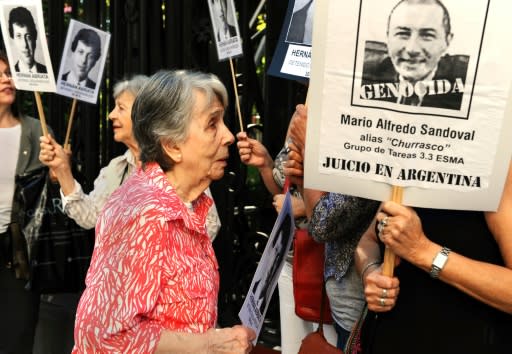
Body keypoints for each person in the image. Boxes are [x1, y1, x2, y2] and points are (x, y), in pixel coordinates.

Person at [72, 69, 255, 353]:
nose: (229, 136)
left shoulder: (187, 203)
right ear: (172, 146)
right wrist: (209, 344)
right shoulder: (144, 213)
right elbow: (101, 334)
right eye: (212, 124)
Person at [355, 161, 512, 354]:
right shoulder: (409, 162)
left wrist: (423, 251)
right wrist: (370, 272)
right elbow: (369, 239)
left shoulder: (497, 165)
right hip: (388, 337)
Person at [237, 104, 337, 353]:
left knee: (325, 344)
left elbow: (352, 199)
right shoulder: (300, 113)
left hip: (327, 260)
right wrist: (265, 165)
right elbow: (284, 188)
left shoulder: (341, 114)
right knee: (293, 347)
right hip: (291, 255)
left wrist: (302, 206)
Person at [284, 103, 380, 351]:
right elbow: (283, 170)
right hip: (344, 295)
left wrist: (311, 148)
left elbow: (324, 222)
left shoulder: (376, 140)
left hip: (364, 304)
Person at [0, 50, 47, 353]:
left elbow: (53, 193)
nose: (6, 79)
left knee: (18, 335)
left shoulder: (35, 131)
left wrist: (60, 171)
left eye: (8, 73)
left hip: (17, 249)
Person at [360, 0, 468, 110]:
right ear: (388, 37)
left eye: (427, 36)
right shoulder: (364, 76)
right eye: (402, 34)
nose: (412, 49)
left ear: (447, 41)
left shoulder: (465, 86)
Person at [8, 6, 47, 73]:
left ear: (35, 37)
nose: (24, 45)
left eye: (28, 36)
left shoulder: (47, 71)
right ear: (13, 39)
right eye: (19, 36)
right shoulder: (8, 74)